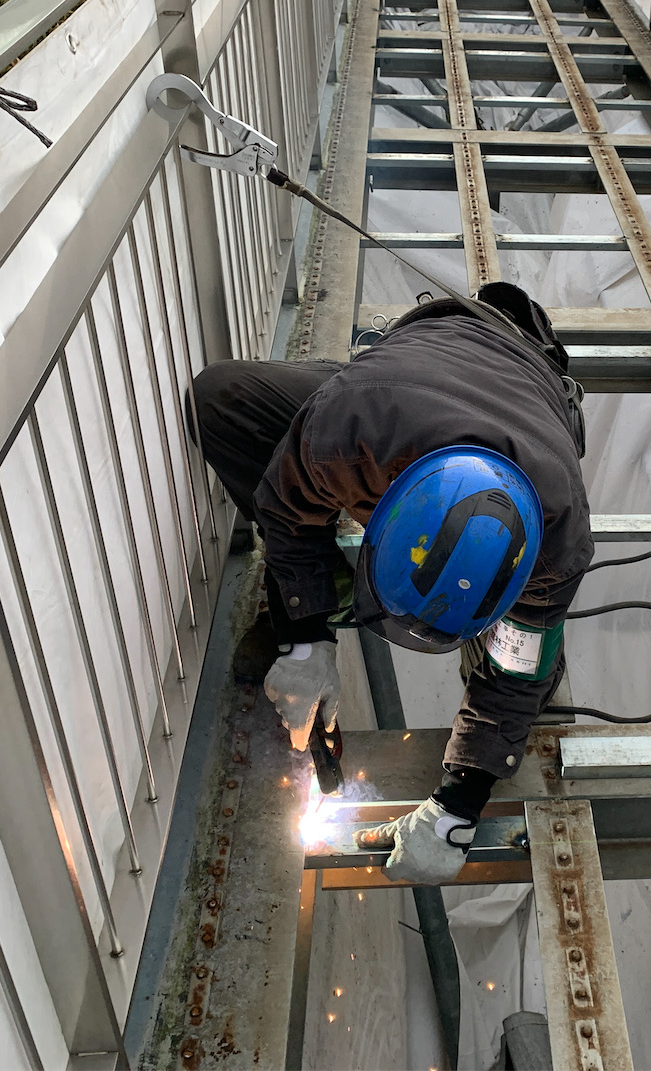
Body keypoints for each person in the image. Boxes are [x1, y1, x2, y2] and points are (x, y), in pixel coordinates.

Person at [187, 283, 591, 885]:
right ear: (381, 512)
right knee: (221, 398)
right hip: (413, 368)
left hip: (526, 382)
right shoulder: (346, 432)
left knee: (534, 665)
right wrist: (306, 636)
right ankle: (328, 587)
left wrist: (457, 806)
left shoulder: (557, 548)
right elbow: (287, 511)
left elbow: (516, 675)